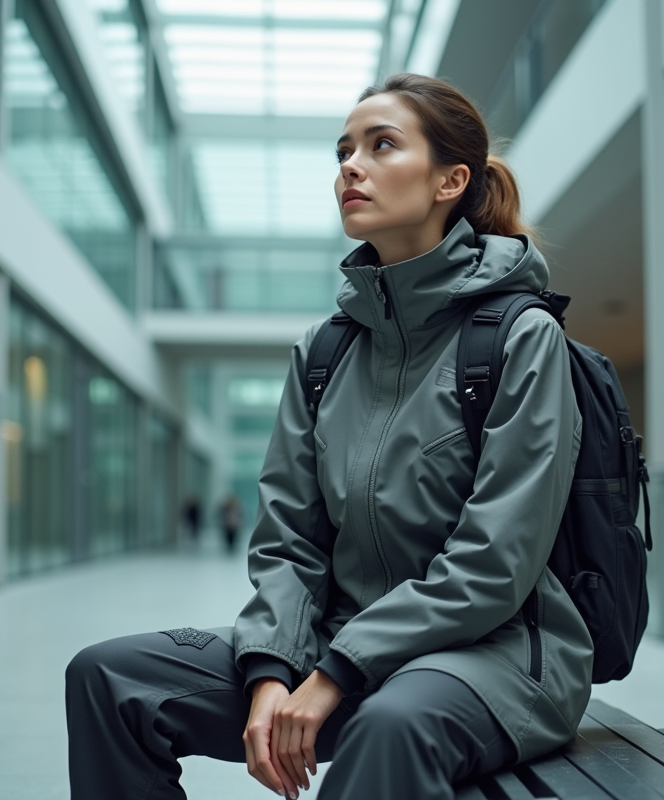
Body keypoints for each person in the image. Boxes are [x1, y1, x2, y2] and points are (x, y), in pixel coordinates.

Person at [64, 73, 592, 800]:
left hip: (493, 654)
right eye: (344, 149)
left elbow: (495, 563)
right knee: (110, 678)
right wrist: (271, 671)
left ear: (450, 181)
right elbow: (288, 542)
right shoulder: (324, 352)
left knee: (391, 724)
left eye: (382, 145)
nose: (350, 165)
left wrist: (338, 672)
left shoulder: (520, 337)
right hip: (335, 649)